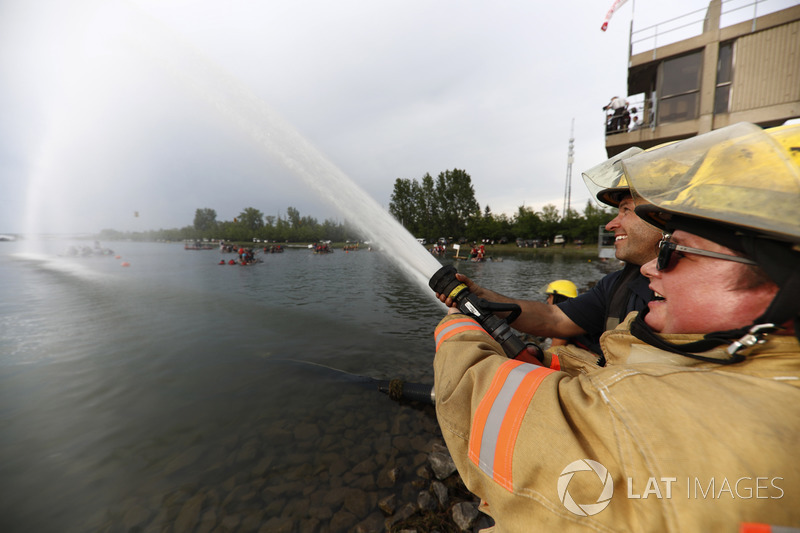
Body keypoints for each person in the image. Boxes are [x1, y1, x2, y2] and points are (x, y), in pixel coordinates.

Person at [432, 122, 800, 531]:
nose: (613, 224)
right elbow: (557, 320)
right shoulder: (629, 287)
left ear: (780, 280)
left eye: (672, 250)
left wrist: (459, 324)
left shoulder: (727, 417)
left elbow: (505, 425)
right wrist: (485, 301)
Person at [437, 146, 662, 361]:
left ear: (664, 215)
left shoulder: (690, 297)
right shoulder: (616, 285)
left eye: (625, 210)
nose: (611, 225)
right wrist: (481, 296)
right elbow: (553, 318)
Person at [543, 280, 579, 347]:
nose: (547, 300)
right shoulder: (575, 314)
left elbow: (552, 352)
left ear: (558, 298)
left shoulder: (566, 322)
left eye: (550, 297)